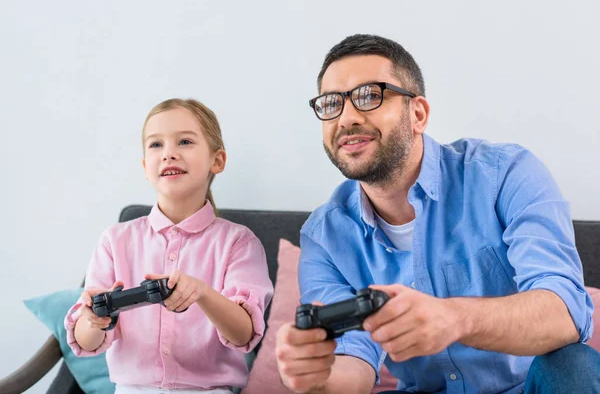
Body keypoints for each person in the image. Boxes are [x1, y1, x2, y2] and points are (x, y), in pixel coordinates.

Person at [275, 34, 600, 394]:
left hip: (530, 387)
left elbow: (566, 313)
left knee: (573, 365)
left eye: (369, 96)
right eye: (331, 103)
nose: (346, 117)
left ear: (418, 114)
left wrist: (455, 318)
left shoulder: (505, 174)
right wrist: (318, 378)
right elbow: (354, 363)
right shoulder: (324, 236)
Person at [64, 98, 273, 394]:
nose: (169, 154)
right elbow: (86, 342)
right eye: (156, 145)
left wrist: (202, 293)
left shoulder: (239, 242)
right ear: (145, 168)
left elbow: (244, 335)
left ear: (218, 160)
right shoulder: (115, 240)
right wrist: (93, 319)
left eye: (185, 141)